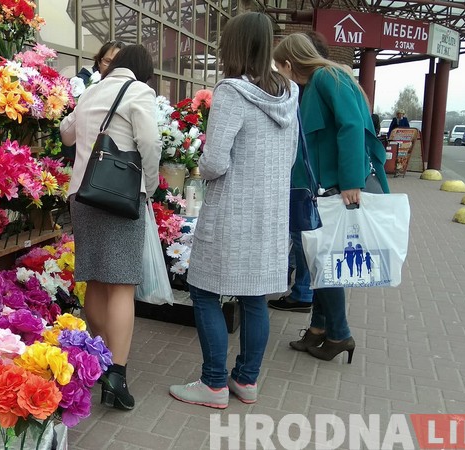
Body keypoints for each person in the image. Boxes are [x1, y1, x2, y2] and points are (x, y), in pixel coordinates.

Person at [168, 12, 299, 409]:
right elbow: (290, 157)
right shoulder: (290, 93)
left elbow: (215, 162)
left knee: (204, 292)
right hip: (271, 215)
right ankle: (246, 380)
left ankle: (212, 384)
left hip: (232, 212)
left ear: (235, 46)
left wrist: (200, 167)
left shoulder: (231, 92)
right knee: (255, 298)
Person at [273, 33, 389, 363]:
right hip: (321, 188)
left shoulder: (327, 76)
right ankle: (319, 330)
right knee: (320, 257)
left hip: (333, 188)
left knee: (324, 260)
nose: (279, 72)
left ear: (289, 63)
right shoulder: (320, 82)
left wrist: (351, 181)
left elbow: (351, 126)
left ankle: (339, 333)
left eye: (279, 66)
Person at [60, 45, 160, 411]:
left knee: (98, 279)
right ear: (143, 70)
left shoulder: (91, 91)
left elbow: (66, 134)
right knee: (122, 284)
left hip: (83, 195)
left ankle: (98, 360)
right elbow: (149, 142)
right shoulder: (139, 92)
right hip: (121, 195)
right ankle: (116, 374)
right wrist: (149, 183)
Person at [269, 31, 330, 314]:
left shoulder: (312, 87)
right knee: (304, 235)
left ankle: (304, 292)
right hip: (311, 178)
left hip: (306, 178)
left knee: (303, 234)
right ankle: (308, 299)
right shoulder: (319, 84)